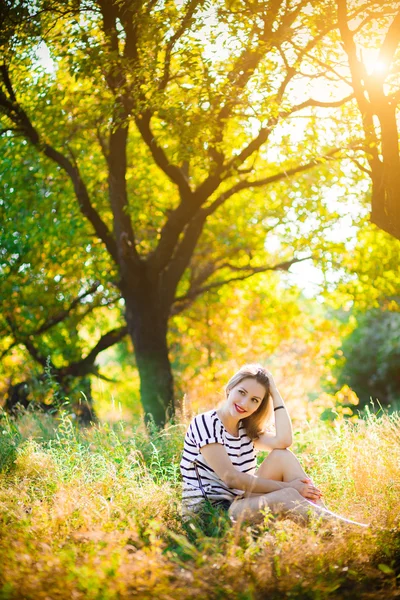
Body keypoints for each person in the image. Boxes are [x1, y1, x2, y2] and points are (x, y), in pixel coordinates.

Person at [180, 363, 368, 527]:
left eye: (255, 400)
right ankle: (352, 532)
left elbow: (284, 441)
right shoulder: (205, 422)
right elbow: (232, 479)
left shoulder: (246, 430)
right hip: (210, 514)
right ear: (230, 388)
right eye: (242, 393)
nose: (245, 403)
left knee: (282, 456)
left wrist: (275, 393)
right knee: (287, 495)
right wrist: (289, 488)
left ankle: (332, 522)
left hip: (239, 503)